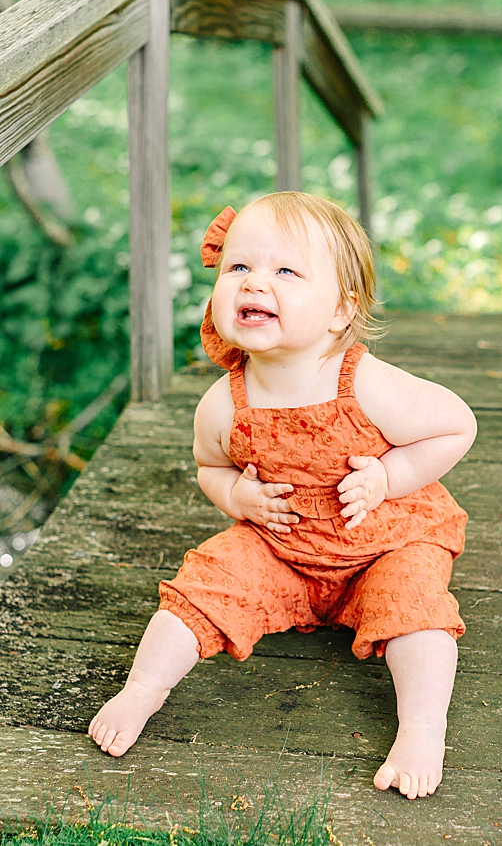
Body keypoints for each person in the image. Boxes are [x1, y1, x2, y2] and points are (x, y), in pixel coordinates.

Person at [88, 193, 476, 800]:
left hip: (384, 539)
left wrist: (389, 476)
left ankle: (421, 730)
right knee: (204, 582)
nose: (254, 283)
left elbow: (456, 425)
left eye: (286, 271)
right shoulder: (223, 403)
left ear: (340, 310)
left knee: (415, 605)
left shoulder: (366, 382)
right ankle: (142, 691)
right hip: (282, 544)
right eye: (238, 268)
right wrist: (237, 498)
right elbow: (209, 467)